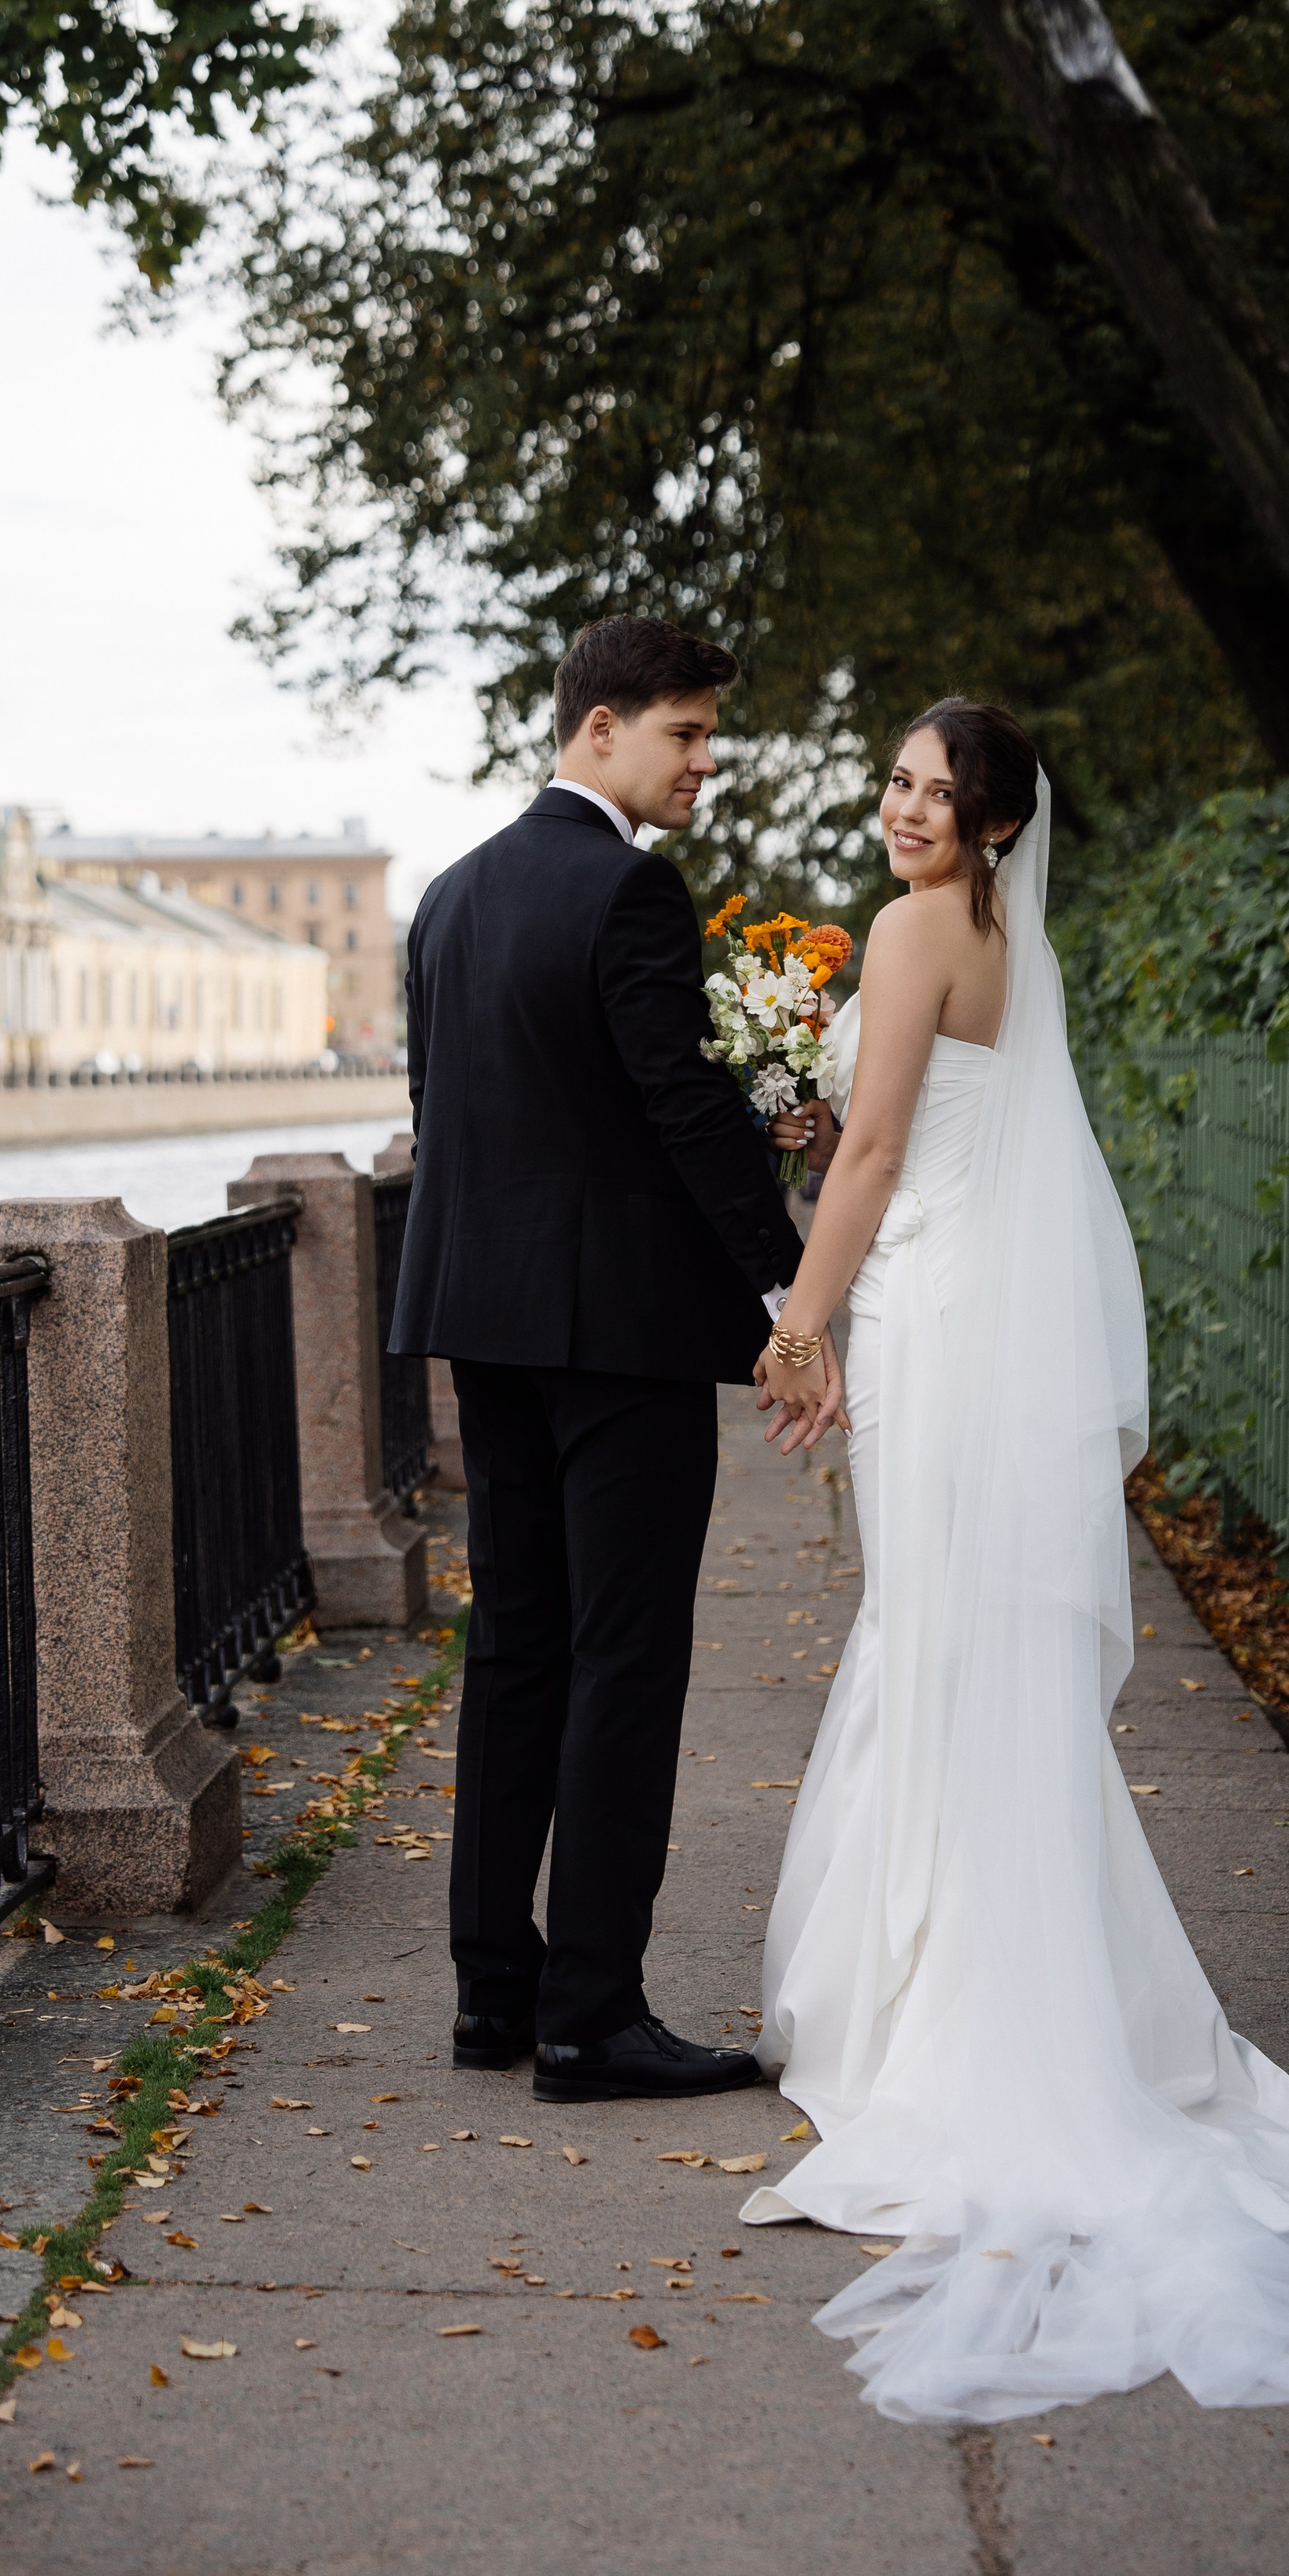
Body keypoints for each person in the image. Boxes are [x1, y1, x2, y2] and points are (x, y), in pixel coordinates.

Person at [743, 699, 1289, 2422]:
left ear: (995, 823)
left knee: (938, 1640)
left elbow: (868, 1151)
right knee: (953, 1646)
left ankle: (959, 2010)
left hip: (927, 1318)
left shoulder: (920, 928)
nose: (907, 809)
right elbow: (920, 1132)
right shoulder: (1007, 942)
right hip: (956, 1314)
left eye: (942, 793)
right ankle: (986, 1972)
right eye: (899, 783)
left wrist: (798, 1323)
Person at [390, 614, 807, 2101]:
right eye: (684, 734)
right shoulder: (630, 891)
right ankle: (592, 2017)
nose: (703, 763)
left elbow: (450, 1115)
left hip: (480, 1324)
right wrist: (788, 1282)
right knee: (625, 1659)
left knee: (516, 1651)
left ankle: (491, 1998)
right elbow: (678, 1110)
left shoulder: (447, 898)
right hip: (618, 1334)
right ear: (598, 731)